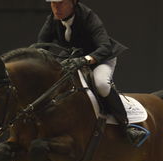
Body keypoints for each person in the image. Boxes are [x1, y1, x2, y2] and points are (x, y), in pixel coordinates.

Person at [38, 0, 146, 145]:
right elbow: (42, 46)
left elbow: (105, 47)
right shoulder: (52, 19)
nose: (56, 8)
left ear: (73, 3)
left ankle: (126, 126)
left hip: (101, 58)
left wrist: (85, 60)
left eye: (61, 3)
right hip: (74, 58)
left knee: (101, 84)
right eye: (53, 4)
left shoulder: (88, 16)